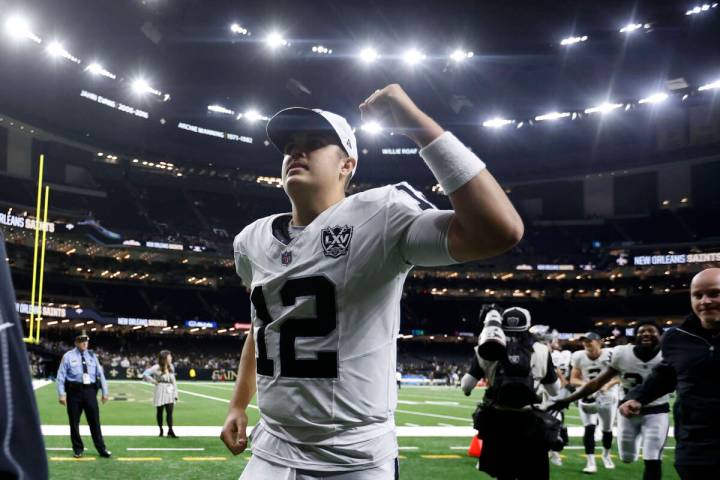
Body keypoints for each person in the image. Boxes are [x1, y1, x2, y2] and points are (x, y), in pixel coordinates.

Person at [220, 84, 523, 479]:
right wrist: (239, 404)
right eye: (290, 145)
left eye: (315, 143)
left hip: (353, 457)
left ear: (347, 165)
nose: (296, 150)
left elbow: (499, 231)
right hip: (272, 450)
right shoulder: (251, 241)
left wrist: (418, 126)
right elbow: (264, 327)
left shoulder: (380, 214)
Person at [619, 268, 720, 480]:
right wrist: (638, 397)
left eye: (714, 293)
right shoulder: (677, 337)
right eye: (698, 295)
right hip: (694, 445)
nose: (705, 301)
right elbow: (666, 375)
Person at [552, 322, 669, 480]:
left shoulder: (668, 355)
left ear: (661, 336)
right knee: (627, 457)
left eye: (651, 331)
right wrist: (567, 399)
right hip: (626, 412)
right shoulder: (622, 354)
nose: (646, 334)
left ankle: (611, 454)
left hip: (656, 410)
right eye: (642, 331)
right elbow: (596, 382)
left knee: (653, 457)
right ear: (635, 336)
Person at [462, 306, 562, 480]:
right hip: (531, 422)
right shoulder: (541, 350)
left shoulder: (485, 348)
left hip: (498, 422)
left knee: (504, 476)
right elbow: (554, 390)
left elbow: (466, 386)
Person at [569, 332, 619, 473]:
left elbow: (621, 375)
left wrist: (607, 385)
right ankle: (590, 462)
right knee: (589, 428)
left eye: (590, 341)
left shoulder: (611, 354)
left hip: (608, 394)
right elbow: (573, 379)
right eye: (584, 342)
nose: (587, 344)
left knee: (607, 429)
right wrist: (589, 385)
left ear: (599, 342)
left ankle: (606, 455)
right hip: (588, 395)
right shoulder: (579, 356)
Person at [56, 332, 111, 458]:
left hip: (90, 392)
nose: (84, 343)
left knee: (95, 421)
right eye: (81, 341)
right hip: (74, 392)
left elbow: (100, 374)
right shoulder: (68, 356)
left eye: (86, 341)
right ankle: (78, 449)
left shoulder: (92, 355)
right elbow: (61, 376)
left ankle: (101, 448)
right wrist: (61, 394)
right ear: (76, 342)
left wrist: (105, 392)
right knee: (74, 422)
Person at [143, 350, 179, 438]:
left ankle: (170, 431)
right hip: (160, 389)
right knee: (160, 412)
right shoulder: (156, 367)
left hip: (169, 390)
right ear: (164, 358)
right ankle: (161, 430)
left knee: (170, 412)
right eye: (169, 356)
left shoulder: (171, 367)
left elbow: (174, 381)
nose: (171, 358)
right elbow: (145, 374)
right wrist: (153, 381)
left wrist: (176, 393)